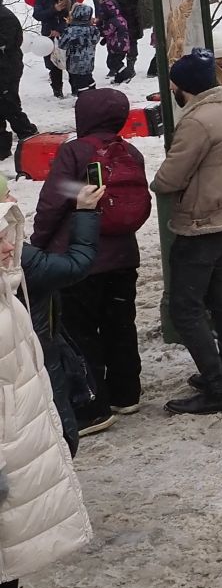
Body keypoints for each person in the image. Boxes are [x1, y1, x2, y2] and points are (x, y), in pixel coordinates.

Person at [0, 194, 93, 588]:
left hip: (17, 431)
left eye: (8, 236)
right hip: (5, 437)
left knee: (12, 532)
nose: (7, 247)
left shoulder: (8, 289)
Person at [31, 87, 145, 429]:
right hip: (124, 256)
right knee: (120, 324)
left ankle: (94, 406)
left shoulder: (75, 152)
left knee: (81, 331)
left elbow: (54, 201)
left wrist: (38, 243)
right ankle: (127, 394)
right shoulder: (131, 151)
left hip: (80, 258)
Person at [151, 49, 222, 414]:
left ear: (185, 89)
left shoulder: (196, 122)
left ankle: (215, 386)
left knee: (186, 308)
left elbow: (170, 177)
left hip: (200, 223)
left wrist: (158, 181)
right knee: (220, 300)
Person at [0, 0, 36, 162]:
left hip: (7, 67)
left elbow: (6, 42)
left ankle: (28, 135)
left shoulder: (5, 17)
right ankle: (2, 147)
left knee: (8, 103)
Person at [55, 2, 97, 95]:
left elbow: (63, 45)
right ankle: (93, 92)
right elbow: (95, 40)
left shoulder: (70, 30)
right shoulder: (93, 29)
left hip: (75, 62)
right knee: (88, 77)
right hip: (89, 60)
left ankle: (84, 98)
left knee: (79, 82)